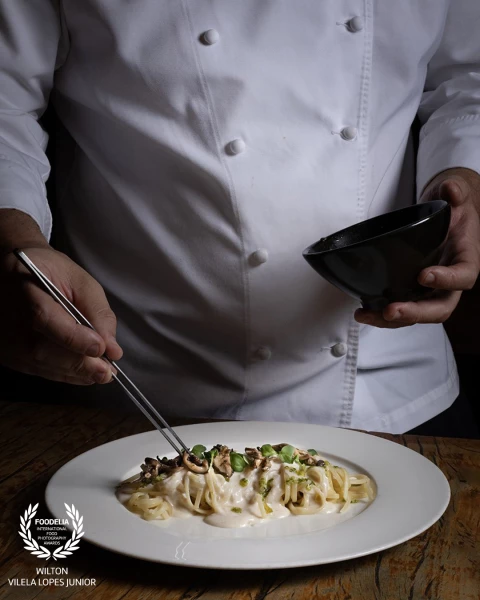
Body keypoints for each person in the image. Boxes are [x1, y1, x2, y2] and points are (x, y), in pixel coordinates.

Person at [0, 2, 479, 436]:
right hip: (142, 394)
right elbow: (7, 104)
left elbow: (466, 80)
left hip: (391, 387)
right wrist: (17, 244)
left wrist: (463, 183)